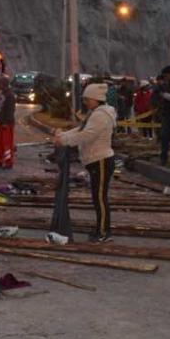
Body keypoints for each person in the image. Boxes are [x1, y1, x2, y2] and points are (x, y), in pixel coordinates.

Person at [54, 83, 117, 242]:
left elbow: (87, 135)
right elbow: (81, 129)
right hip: (96, 160)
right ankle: (100, 229)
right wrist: (64, 136)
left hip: (101, 160)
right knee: (97, 197)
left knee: (100, 198)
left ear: (96, 99)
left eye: (87, 99)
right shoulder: (95, 113)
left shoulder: (100, 115)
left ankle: (104, 232)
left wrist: (66, 140)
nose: (86, 102)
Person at [0, 75, 16, 169]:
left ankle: (8, 162)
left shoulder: (9, 95)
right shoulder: (2, 94)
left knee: (7, 144)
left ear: (3, 84)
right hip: (1, 123)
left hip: (7, 124)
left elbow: (10, 110)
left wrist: (6, 122)